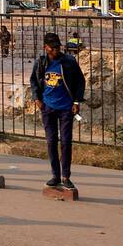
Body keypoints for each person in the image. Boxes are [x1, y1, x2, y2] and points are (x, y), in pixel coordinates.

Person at [29, 32, 85, 190]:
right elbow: (33, 80)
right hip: (48, 107)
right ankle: (55, 175)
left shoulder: (69, 62)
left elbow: (80, 81)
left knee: (66, 142)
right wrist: (36, 98)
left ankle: (66, 176)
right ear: (45, 48)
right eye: (52, 48)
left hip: (66, 108)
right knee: (51, 141)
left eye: (57, 47)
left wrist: (76, 101)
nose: (56, 50)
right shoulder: (41, 62)